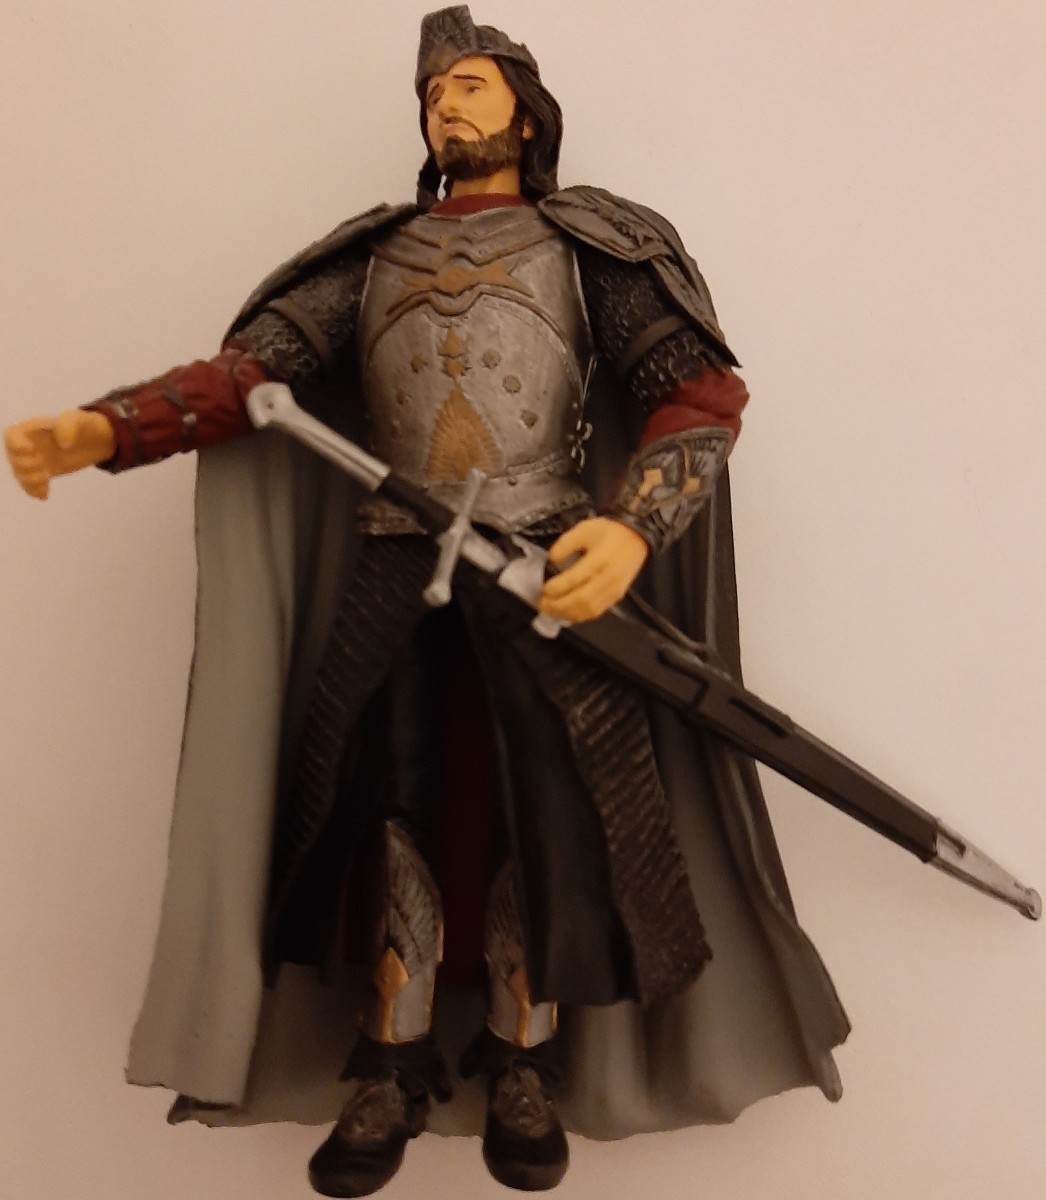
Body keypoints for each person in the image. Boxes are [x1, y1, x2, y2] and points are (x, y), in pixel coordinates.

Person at [4, 7, 850, 1196]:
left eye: (469, 85)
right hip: (395, 561)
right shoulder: (371, 256)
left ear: (525, 112)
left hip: (543, 561)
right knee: (382, 806)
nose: (446, 105)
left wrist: (628, 525)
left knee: (539, 808)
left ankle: (522, 1057)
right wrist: (106, 429)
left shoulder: (589, 247)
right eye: (432, 93)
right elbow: (248, 381)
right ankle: (388, 1062)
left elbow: (699, 398)